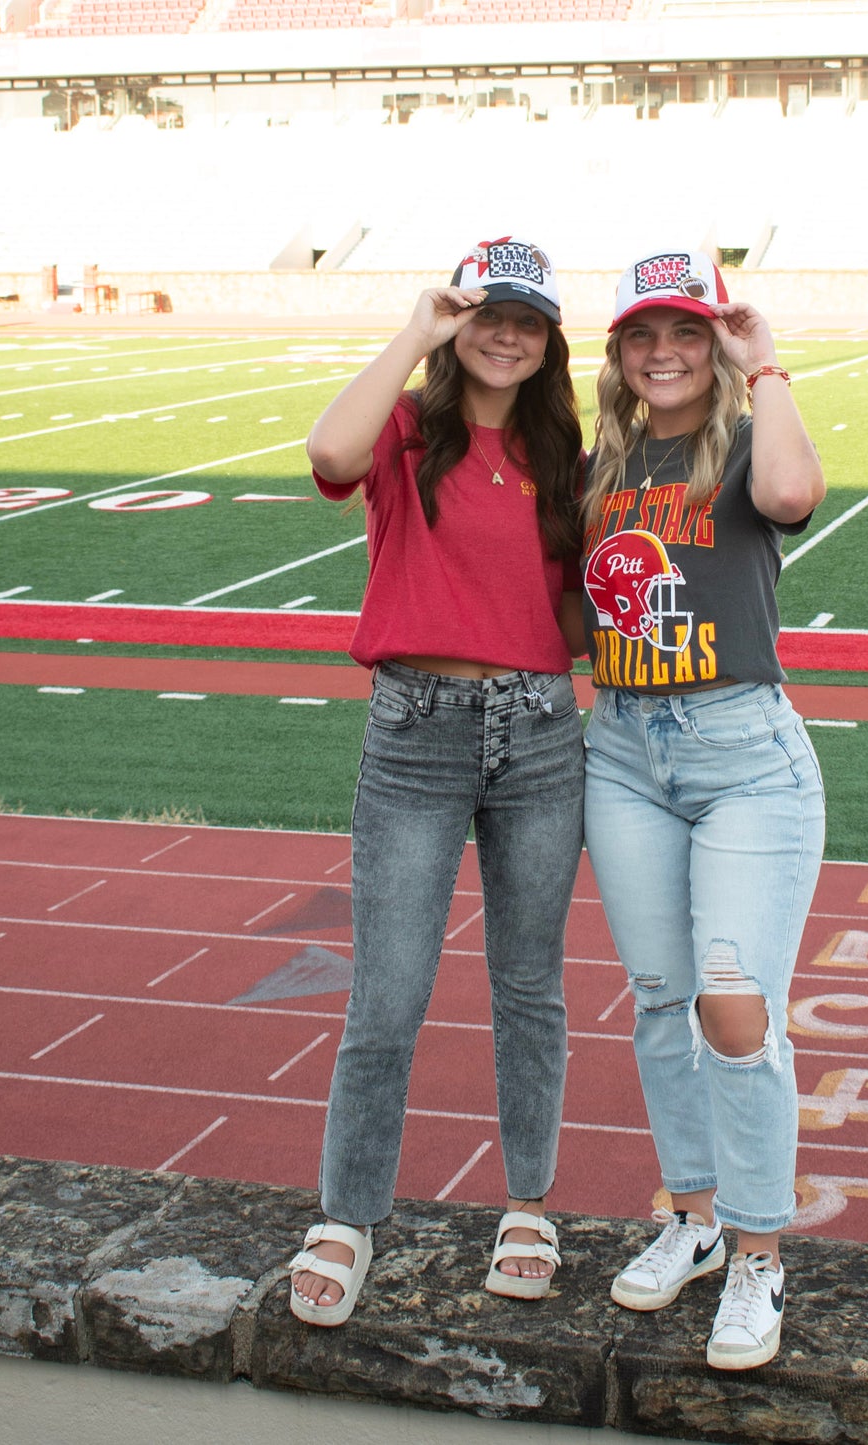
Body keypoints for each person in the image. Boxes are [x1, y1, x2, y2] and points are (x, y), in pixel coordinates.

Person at [290, 236, 586, 1327]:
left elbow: (569, 602)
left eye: (526, 319)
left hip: (541, 733)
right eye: (486, 314)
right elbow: (327, 449)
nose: (506, 334)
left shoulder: (563, 449)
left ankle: (527, 1201)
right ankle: (348, 1212)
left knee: (528, 988)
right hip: (416, 726)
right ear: (459, 321)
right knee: (389, 992)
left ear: (549, 337)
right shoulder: (411, 429)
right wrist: (413, 331)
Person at [578, 247, 827, 1370]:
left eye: (686, 332)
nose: (665, 353)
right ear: (619, 354)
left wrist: (762, 362)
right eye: (644, 336)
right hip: (623, 747)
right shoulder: (601, 462)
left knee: (734, 1006)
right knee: (659, 995)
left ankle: (758, 1254)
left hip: (741, 754)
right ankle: (690, 1213)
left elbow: (792, 496)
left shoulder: (737, 443)